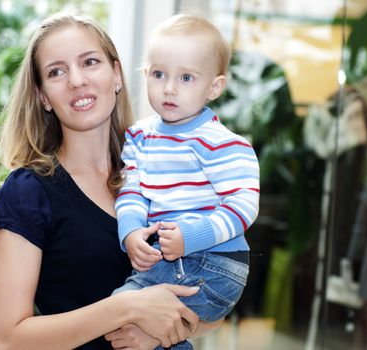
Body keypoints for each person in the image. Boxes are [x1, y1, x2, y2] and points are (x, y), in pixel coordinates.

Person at [0, 12, 221, 350]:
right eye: (57, 71)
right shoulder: (28, 193)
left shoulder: (162, 172)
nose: (77, 80)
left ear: (116, 74)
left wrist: (158, 330)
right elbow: (8, 340)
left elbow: (216, 301)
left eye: (90, 62)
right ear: (43, 97)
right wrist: (127, 307)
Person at [113, 13, 260, 350]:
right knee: (147, 332)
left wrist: (190, 238)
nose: (169, 87)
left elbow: (243, 206)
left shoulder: (222, 142)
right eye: (159, 74)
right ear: (144, 74)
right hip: (174, 259)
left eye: (186, 78)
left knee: (121, 310)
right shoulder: (140, 137)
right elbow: (132, 189)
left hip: (214, 262)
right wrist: (132, 230)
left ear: (215, 87)